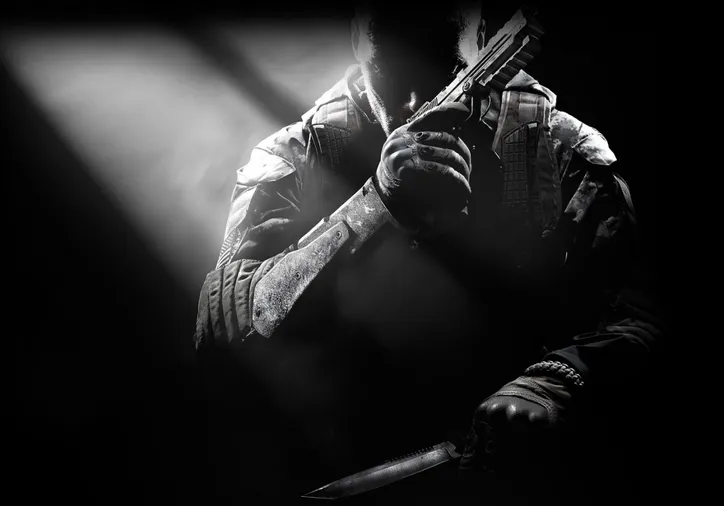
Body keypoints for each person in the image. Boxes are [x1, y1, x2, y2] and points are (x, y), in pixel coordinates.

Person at [193, 1, 666, 504]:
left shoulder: (559, 149)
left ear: (482, 41)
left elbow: (642, 314)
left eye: (446, 67)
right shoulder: (296, 157)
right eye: (391, 70)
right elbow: (222, 331)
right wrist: (377, 202)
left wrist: (557, 382)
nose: (417, 102)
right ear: (355, 39)